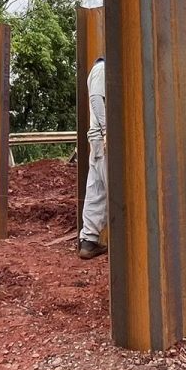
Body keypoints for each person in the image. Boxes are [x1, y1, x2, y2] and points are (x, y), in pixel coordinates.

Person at [78, 56, 107, 260]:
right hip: (103, 139)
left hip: (97, 139)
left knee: (96, 189)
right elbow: (97, 97)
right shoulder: (102, 68)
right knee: (116, 189)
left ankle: (89, 241)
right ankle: (132, 237)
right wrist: (108, 130)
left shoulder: (100, 69)